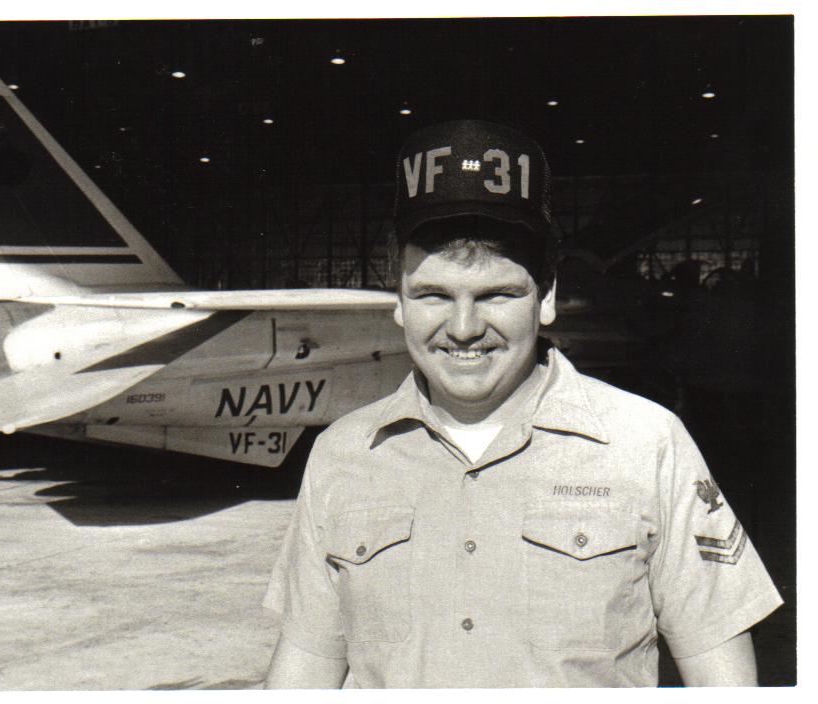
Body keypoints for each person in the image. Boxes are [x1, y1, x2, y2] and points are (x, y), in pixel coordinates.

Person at [261, 119, 782, 688]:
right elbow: (303, 672)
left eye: (497, 295)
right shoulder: (343, 454)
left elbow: (724, 678)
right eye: (433, 294)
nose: (463, 329)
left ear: (548, 296)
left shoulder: (648, 443)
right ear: (398, 303)